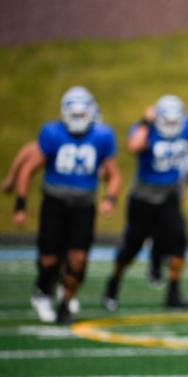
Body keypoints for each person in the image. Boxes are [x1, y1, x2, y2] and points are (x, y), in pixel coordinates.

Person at [102, 78, 188, 311]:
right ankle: (113, 284)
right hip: (142, 197)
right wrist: (145, 123)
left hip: (169, 196)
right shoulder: (146, 130)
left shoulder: (185, 127)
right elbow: (133, 146)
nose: (170, 124)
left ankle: (173, 293)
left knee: (179, 243)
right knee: (132, 246)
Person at [11, 87, 121, 324]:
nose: (79, 121)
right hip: (54, 203)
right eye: (75, 115)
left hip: (84, 205)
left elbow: (114, 175)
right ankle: (42, 289)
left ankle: (66, 303)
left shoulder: (102, 136)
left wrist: (110, 199)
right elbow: (29, 168)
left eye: (83, 115)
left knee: (78, 259)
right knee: (49, 259)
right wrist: (20, 205)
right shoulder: (52, 133)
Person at [148, 154, 188, 288]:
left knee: (179, 238)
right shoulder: (157, 156)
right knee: (157, 237)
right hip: (152, 202)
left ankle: (173, 289)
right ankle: (155, 267)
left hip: (173, 205)